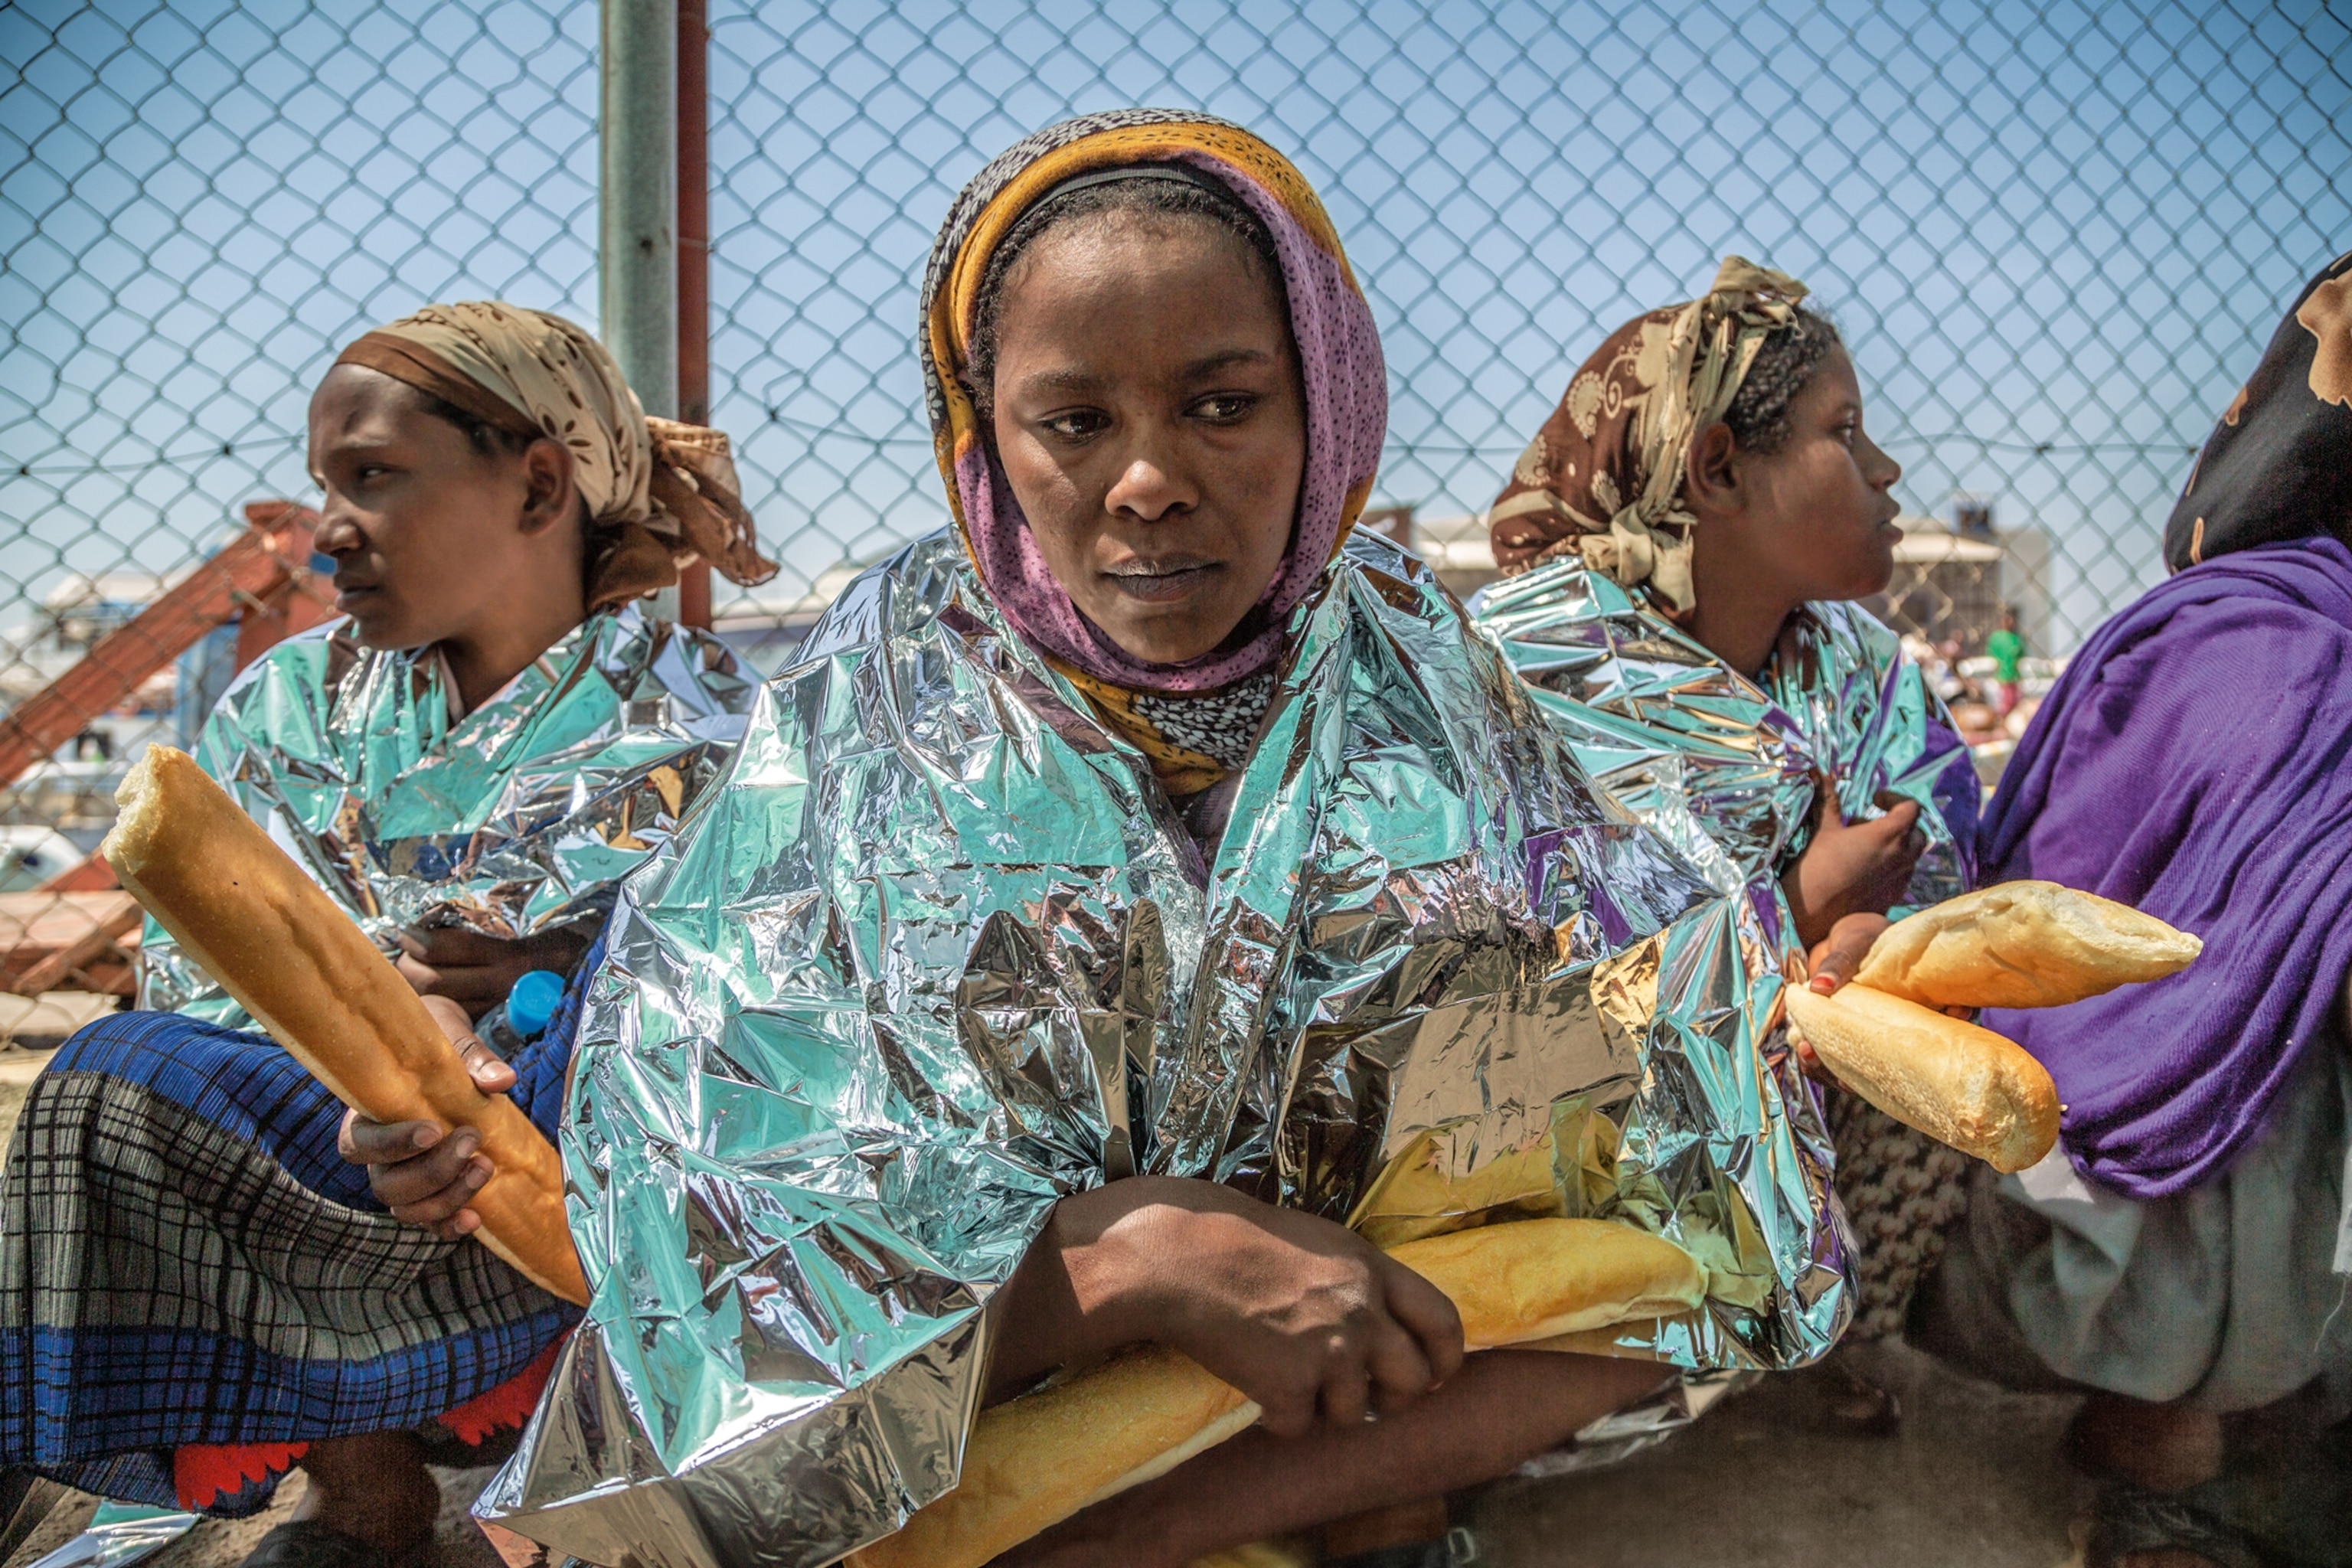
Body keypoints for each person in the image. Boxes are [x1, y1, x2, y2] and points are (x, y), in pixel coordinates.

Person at [471, 113, 1849, 1568]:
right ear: (981, 439)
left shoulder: (1445, 707)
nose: (1146, 480)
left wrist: (1141, 1522)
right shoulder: (865, 734)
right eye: (1073, 423)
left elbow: (1695, 1245)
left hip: (1308, 1505)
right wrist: (1128, 1264)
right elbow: (706, 1310)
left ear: (1327, 404)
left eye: (1222, 404)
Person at [0, 302, 776, 1568]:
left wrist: (564, 985)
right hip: (338, 1155)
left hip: (594, 1165)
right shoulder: (286, 703)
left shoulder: (726, 724)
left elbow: (788, 1002)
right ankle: (365, 1498)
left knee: (630, 1061)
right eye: (325, 486)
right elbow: (201, 974)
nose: (328, 534)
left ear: (536, 484)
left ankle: (589, 1484)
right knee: (115, 1077)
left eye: (371, 478)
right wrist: (375, 1066)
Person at [1907, 250, 2352, 1568]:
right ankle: (2165, 1444)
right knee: (2259, 1007)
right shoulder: (2262, 645)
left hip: (2201, 1232)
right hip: (2085, 1230)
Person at [1479, 261, 1981, 1386]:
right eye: (1845, 432)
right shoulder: (1518, 674)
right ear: (1716, 468)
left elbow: (1952, 867)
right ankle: (1615, 1354)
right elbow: (1505, 1026)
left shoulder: (1852, 661)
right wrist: (1803, 913)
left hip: (1808, 1089)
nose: (1888, 470)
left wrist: (1878, 948)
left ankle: (1824, 1319)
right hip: (1552, 1147)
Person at [1985, 606, 2025, 717]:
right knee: (2003, 704)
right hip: (2000, 676)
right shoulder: (1997, 638)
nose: (2009, 622)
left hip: (2013, 677)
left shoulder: (2015, 639)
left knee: (2014, 703)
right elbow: (1990, 655)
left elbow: (2021, 656)